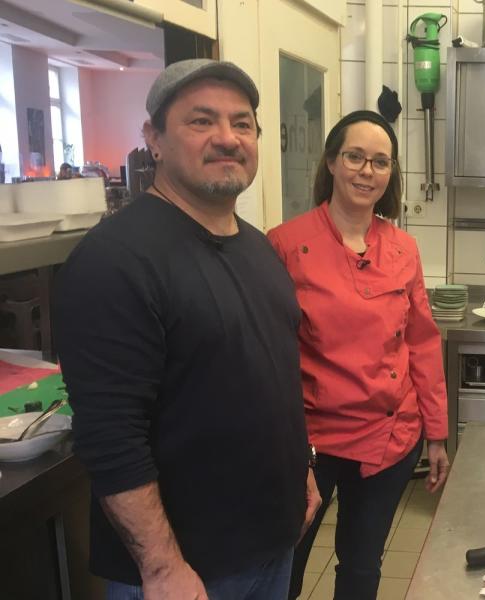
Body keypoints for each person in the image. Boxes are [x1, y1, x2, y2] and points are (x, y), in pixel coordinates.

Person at [53, 59, 320, 599]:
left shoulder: (255, 247)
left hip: (269, 545)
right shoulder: (116, 260)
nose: (227, 138)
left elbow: (269, 379)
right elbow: (110, 436)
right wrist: (161, 567)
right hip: (186, 572)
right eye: (201, 121)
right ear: (154, 138)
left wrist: (303, 469)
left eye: (242, 123)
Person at [267, 110, 450, 600]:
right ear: (331, 162)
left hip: (390, 436)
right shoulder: (285, 245)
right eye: (355, 157)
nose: (366, 171)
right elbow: (272, 357)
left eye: (380, 162)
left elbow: (423, 344)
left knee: (362, 566)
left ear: (391, 174)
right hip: (312, 442)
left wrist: (436, 434)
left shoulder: (403, 248)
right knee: (288, 563)